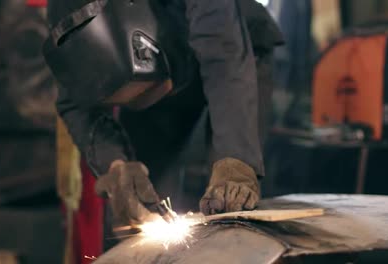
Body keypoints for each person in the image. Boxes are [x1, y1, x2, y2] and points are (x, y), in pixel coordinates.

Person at [45, 0, 282, 231]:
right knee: (141, 207)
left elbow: (224, 50)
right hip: (161, 58)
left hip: (237, 49)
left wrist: (236, 158)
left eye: (149, 93)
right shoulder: (67, 24)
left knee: (233, 206)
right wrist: (115, 165)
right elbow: (73, 103)